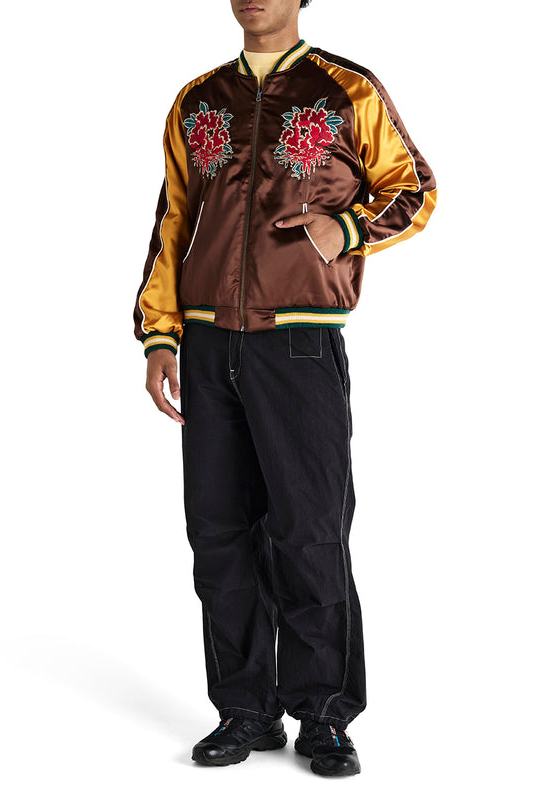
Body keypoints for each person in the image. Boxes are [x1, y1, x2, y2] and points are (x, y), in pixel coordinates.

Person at [133, 0, 437, 778]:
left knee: (309, 532)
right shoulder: (198, 99)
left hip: (299, 342)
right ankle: (245, 709)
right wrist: (161, 333)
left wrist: (350, 229)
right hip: (207, 342)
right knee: (219, 534)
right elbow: (173, 218)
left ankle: (325, 714)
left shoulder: (346, 90)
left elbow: (414, 187)